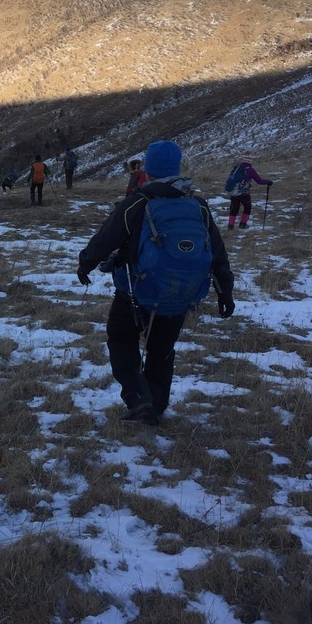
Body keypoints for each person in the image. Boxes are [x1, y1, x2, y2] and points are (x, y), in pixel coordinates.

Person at [76, 141, 234, 425]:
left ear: (148, 168)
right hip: (179, 294)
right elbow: (217, 252)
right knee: (162, 350)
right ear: (176, 168)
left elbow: (106, 238)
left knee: (121, 338)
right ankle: (157, 406)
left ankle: (138, 397)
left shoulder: (137, 202)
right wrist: (226, 291)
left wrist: (85, 263)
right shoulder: (197, 206)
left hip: (135, 292)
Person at [227, 152, 273, 230]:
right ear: (250, 160)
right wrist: (268, 182)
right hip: (243, 193)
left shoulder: (237, 168)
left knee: (234, 208)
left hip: (233, 192)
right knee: (247, 208)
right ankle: (242, 224)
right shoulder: (250, 170)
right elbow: (259, 181)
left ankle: (230, 226)